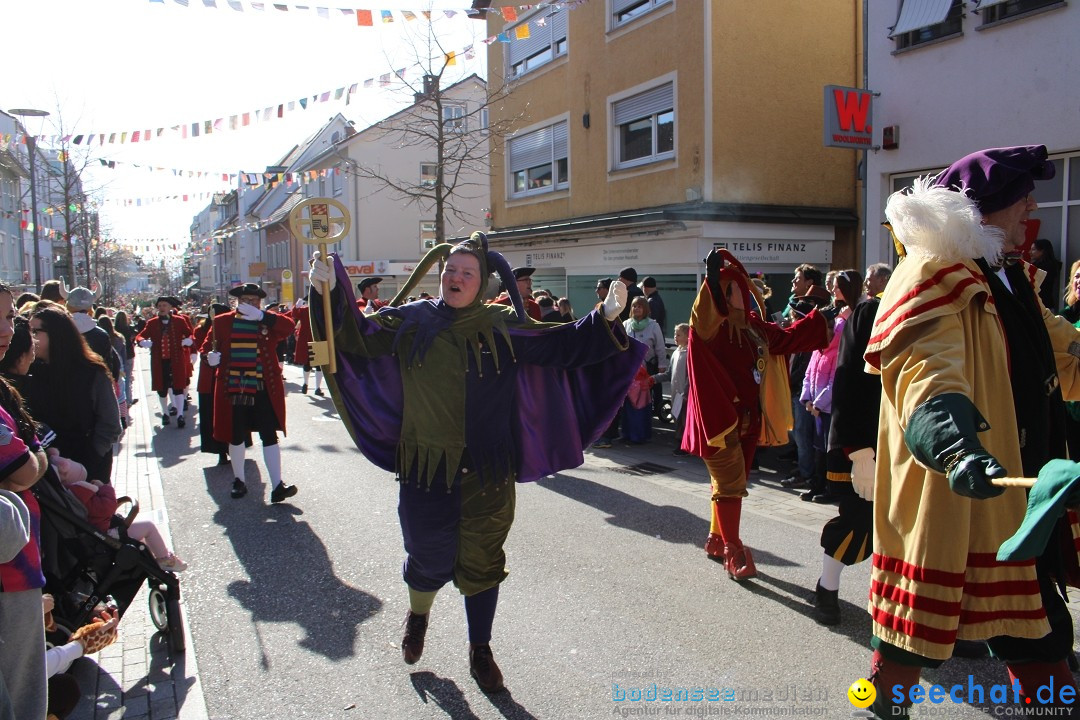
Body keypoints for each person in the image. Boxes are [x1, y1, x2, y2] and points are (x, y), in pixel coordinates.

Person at [308, 232, 644, 694]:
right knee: (427, 555)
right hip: (425, 466)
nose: (456, 278)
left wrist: (605, 318)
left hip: (489, 468)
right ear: (441, 276)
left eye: (466, 273)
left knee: (484, 560)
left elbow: (558, 345)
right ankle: (419, 615)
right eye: (450, 271)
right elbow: (357, 338)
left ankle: (480, 648)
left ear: (482, 284)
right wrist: (326, 290)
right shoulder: (411, 319)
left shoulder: (503, 323)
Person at [864, 145, 1080, 715]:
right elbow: (925, 373)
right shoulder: (931, 274)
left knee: (1038, 636)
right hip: (958, 491)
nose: (1033, 205)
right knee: (906, 639)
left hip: (1019, 495)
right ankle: (880, 706)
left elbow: (1064, 351)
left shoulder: (1012, 278)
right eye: (1021, 197)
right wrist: (956, 445)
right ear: (986, 210)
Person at [685, 250, 826, 579]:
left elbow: (786, 339)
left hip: (749, 419)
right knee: (730, 483)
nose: (746, 293)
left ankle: (716, 538)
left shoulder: (751, 326)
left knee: (731, 484)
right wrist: (713, 276)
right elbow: (708, 308)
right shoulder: (708, 325)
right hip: (719, 422)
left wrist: (822, 315)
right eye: (737, 288)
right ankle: (733, 550)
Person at [811, 264, 890, 624]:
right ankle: (827, 588)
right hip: (868, 442)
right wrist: (858, 450)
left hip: (915, 447)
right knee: (858, 521)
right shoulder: (871, 312)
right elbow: (849, 381)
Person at [0, 282, 51, 720]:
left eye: (9, 317)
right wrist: (37, 457)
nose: (8, 329)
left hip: (18, 565)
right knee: (20, 694)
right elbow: (22, 470)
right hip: (8, 570)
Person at [203, 283, 297, 503]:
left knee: (269, 435)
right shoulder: (222, 322)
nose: (250, 304)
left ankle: (277, 485)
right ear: (237, 301)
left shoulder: (266, 320)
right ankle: (239, 480)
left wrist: (263, 316)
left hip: (263, 387)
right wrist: (210, 357)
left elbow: (288, 327)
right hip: (234, 388)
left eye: (255, 301)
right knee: (236, 436)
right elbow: (207, 346)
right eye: (246, 300)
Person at [27, 306, 122, 484]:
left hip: (89, 470)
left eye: (35, 332)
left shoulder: (92, 372)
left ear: (56, 334)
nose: (30, 338)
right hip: (48, 471)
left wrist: (91, 459)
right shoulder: (30, 372)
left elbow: (110, 424)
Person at [53, 448, 187, 571]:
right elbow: (108, 506)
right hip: (107, 535)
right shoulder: (82, 494)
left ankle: (156, 557)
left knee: (140, 536)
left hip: (98, 533)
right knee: (148, 526)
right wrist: (104, 488)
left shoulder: (71, 495)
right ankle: (165, 559)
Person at [135, 296, 195, 428]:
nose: (162, 308)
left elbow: (190, 333)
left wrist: (189, 340)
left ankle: (180, 415)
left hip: (176, 360)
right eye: (160, 305)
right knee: (161, 388)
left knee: (178, 387)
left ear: (170, 308)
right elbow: (140, 335)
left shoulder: (179, 321)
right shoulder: (152, 323)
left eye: (164, 305)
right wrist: (142, 341)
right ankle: (165, 413)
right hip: (159, 361)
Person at [193, 303, 231, 465]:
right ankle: (220, 450)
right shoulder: (201, 331)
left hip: (228, 375)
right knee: (211, 415)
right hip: (209, 377)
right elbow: (201, 348)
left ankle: (233, 448)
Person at [623, 295, 666, 431]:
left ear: (645, 309)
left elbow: (660, 346)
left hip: (648, 368)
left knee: (645, 399)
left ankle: (643, 429)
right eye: (634, 306)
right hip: (630, 369)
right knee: (630, 399)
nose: (636, 308)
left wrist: (662, 365)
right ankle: (629, 430)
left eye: (639, 306)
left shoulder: (654, 325)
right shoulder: (626, 324)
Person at [653, 322, 689, 455]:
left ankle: (684, 445)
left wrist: (686, 392)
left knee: (684, 420)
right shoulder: (676, 352)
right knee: (677, 418)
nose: (675, 336)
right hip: (676, 393)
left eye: (678, 334)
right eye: (675, 334)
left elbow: (691, 377)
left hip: (685, 395)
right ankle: (680, 442)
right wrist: (654, 378)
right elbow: (669, 374)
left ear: (688, 337)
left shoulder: (689, 354)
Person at [291, 297, 323, 396]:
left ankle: (312, 385)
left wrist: (296, 307)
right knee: (313, 364)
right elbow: (294, 315)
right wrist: (296, 307)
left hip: (315, 339)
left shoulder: (320, 310)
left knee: (316, 364)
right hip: (313, 339)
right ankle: (310, 385)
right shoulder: (308, 310)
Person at [1030, 238, 1062, 312]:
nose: (1030, 252)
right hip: (1047, 305)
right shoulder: (1054, 266)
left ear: (1042, 251)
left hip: (1040, 305)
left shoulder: (1044, 268)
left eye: (1033, 249)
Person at [114, 310, 138, 408]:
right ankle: (128, 400)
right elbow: (134, 336)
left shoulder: (114, 329)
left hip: (118, 355)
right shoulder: (129, 328)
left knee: (120, 378)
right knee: (128, 377)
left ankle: (122, 399)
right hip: (129, 354)